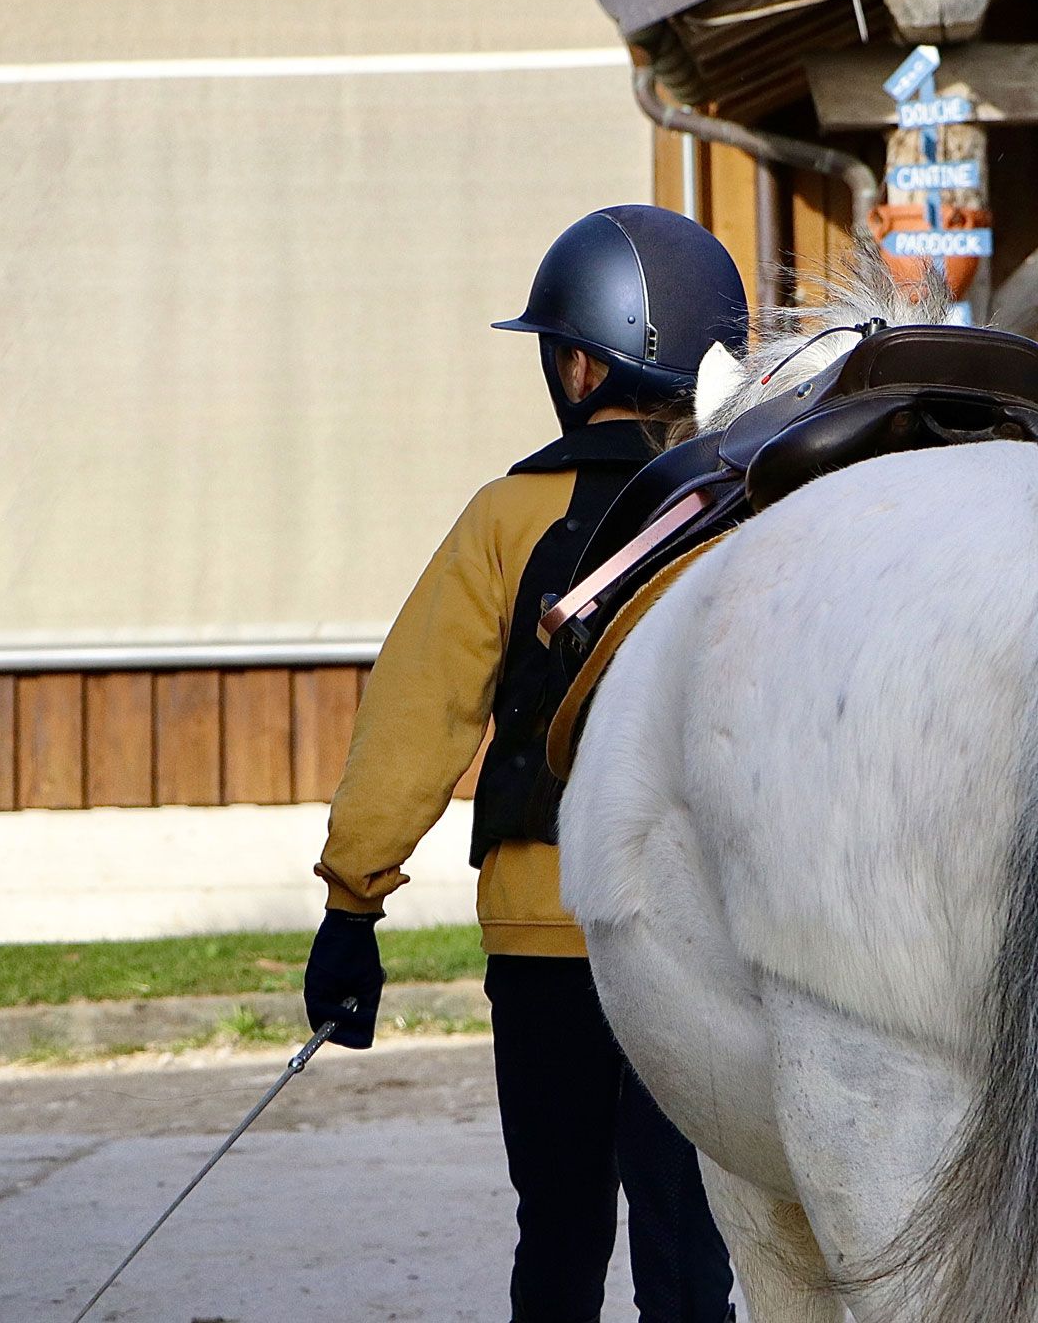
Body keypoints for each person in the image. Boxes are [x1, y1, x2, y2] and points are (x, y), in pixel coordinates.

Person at [304, 204, 745, 1323]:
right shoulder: (744, 518)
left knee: (557, 1229)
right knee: (689, 1249)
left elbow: (418, 715)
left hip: (546, 939)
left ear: (583, 366)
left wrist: (353, 902)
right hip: (700, 938)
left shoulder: (506, 517)